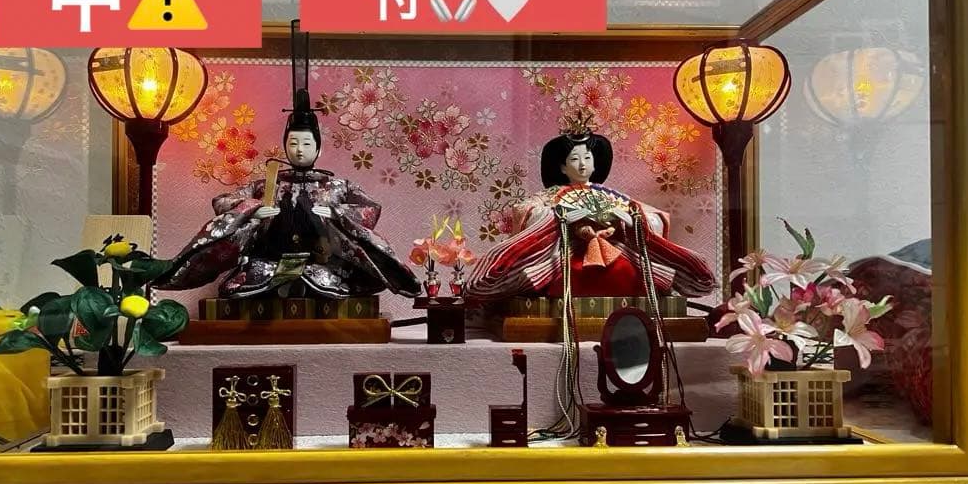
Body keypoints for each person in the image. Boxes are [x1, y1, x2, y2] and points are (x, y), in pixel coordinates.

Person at [155, 91, 420, 301]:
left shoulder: (337, 185)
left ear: (318, 149)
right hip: (268, 262)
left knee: (325, 281)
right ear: (285, 146)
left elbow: (370, 209)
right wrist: (253, 209)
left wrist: (337, 213)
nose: (299, 150)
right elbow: (222, 201)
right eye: (293, 143)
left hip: (323, 264)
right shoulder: (268, 184)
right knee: (254, 282)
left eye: (306, 144)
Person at [467, 126, 716, 300]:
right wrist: (559, 218)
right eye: (574, 159)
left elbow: (654, 216)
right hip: (568, 252)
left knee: (632, 269)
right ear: (562, 166)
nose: (582, 164)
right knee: (559, 271)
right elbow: (525, 210)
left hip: (614, 250)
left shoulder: (611, 195)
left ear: (595, 162)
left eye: (587, 157)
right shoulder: (551, 195)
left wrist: (630, 219)